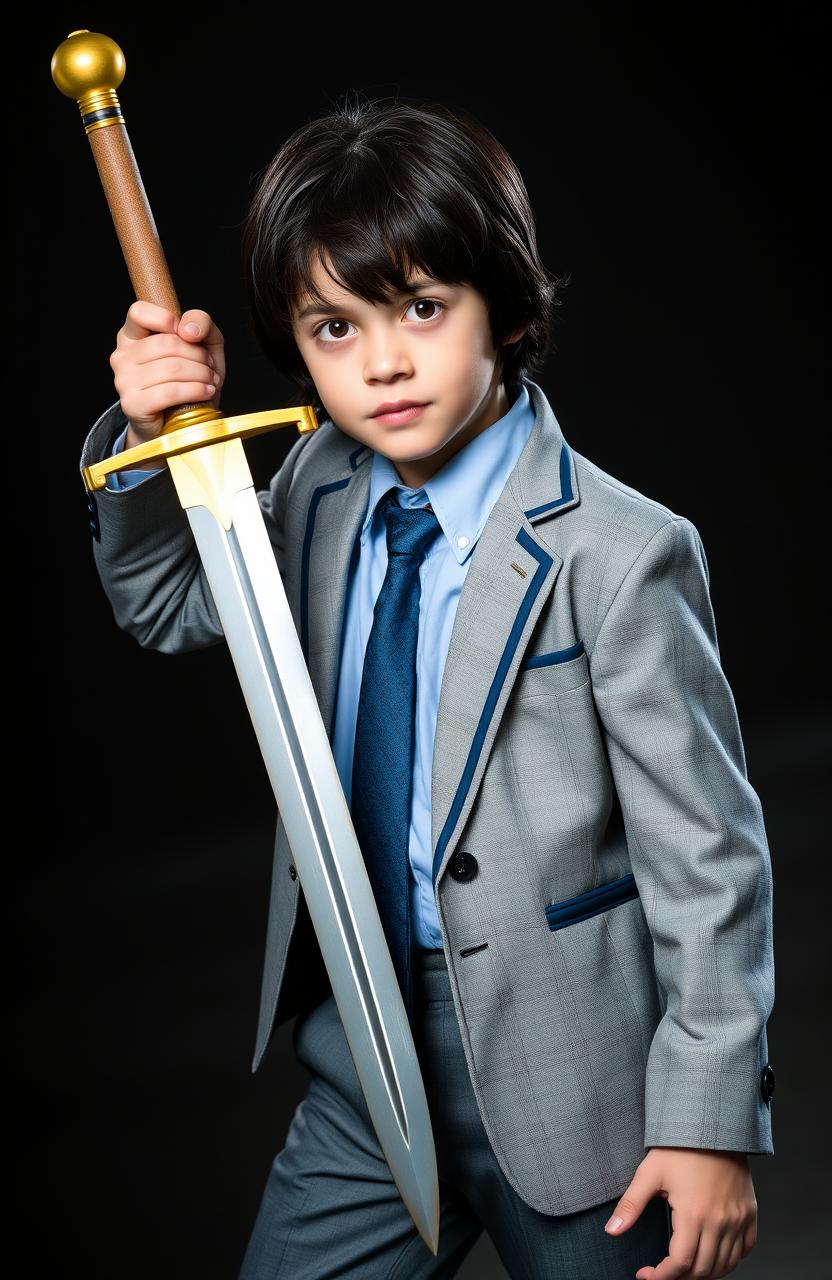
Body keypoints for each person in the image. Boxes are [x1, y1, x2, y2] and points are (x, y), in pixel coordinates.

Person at [79, 93, 775, 1279]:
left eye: (419, 307)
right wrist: (148, 446)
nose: (385, 362)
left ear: (502, 308)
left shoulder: (620, 551)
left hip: (578, 1086)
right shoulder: (317, 490)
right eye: (333, 329)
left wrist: (707, 1115)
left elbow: (708, 856)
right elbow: (168, 606)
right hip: (369, 1049)